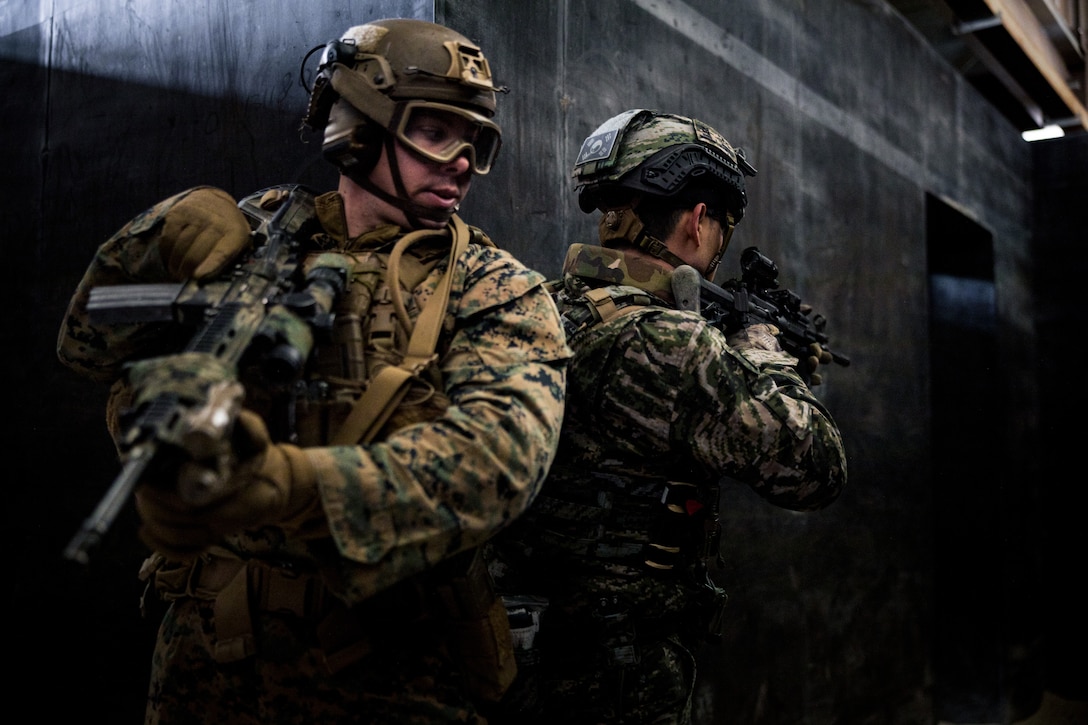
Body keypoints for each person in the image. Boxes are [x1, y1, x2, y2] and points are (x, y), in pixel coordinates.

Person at [56, 18, 570, 724]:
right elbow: (87, 349)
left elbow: (497, 465)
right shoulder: (255, 235)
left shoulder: (496, 287)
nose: (460, 160)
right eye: (435, 131)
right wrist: (155, 239)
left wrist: (287, 486)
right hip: (205, 667)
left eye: (475, 142)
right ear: (357, 125)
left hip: (387, 677)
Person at [484, 109, 848, 724]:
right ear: (699, 221)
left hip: (513, 651)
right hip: (618, 671)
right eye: (722, 226)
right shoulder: (669, 344)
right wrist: (766, 355)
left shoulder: (534, 304)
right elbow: (816, 467)